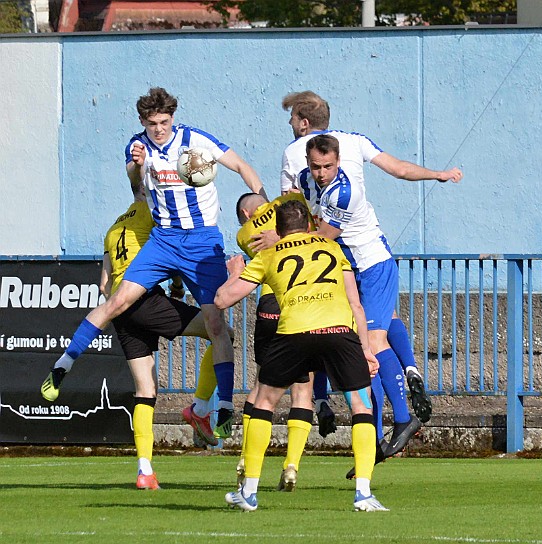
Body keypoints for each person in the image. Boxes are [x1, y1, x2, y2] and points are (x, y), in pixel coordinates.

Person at [41, 87, 266, 441]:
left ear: (172, 118)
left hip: (201, 241)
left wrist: (263, 205)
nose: (158, 128)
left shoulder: (194, 140)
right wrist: (139, 165)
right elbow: (135, 185)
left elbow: (241, 166)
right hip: (163, 240)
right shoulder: (137, 146)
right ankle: (61, 367)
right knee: (116, 301)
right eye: (152, 123)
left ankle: (223, 406)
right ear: (143, 121)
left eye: (163, 122)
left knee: (215, 324)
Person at [270, 91, 461, 456]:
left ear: (336, 160)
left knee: (371, 343)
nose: (321, 173)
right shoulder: (320, 166)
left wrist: (278, 243)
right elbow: (398, 169)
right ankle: (373, 438)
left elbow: (322, 235)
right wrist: (436, 174)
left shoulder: (343, 192)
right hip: (345, 267)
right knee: (359, 340)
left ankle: (403, 418)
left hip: (371, 263)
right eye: (315, 167)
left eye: (326, 167)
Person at [215, 199, 386, 512]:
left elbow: (223, 299)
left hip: (293, 332)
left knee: (264, 402)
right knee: (362, 405)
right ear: (309, 225)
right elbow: (356, 304)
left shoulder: (268, 254)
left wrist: (235, 271)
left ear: (278, 230)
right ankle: (363, 493)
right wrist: (365, 349)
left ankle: (249, 491)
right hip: (338, 332)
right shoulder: (332, 249)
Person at [101, 183, 227, 489]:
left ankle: (145, 471)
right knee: (223, 334)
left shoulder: (114, 226)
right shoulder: (153, 212)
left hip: (118, 306)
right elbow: (172, 251)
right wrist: (179, 287)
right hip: (146, 300)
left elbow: (104, 284)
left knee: (145, 391)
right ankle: (199, 409)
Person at [233, 191, 340, 492]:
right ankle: (291, 465)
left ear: (244, 214)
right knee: (302, 391)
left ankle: (246, 457)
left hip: (269, 305)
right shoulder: (292, 201)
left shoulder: (245, 234)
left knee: (261, 387)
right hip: (300, 307)